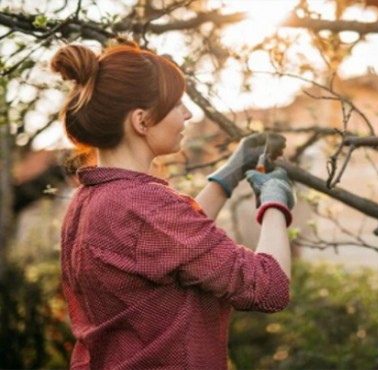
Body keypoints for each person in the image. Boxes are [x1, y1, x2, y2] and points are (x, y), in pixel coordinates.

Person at [51, 42, 295, 369]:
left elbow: (169, 249)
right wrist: (275, 203)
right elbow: (268, 287)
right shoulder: (146, 206)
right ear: (142, 121)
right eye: (177, 103)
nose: (188, 113)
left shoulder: (90, 199)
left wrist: (229, 174)